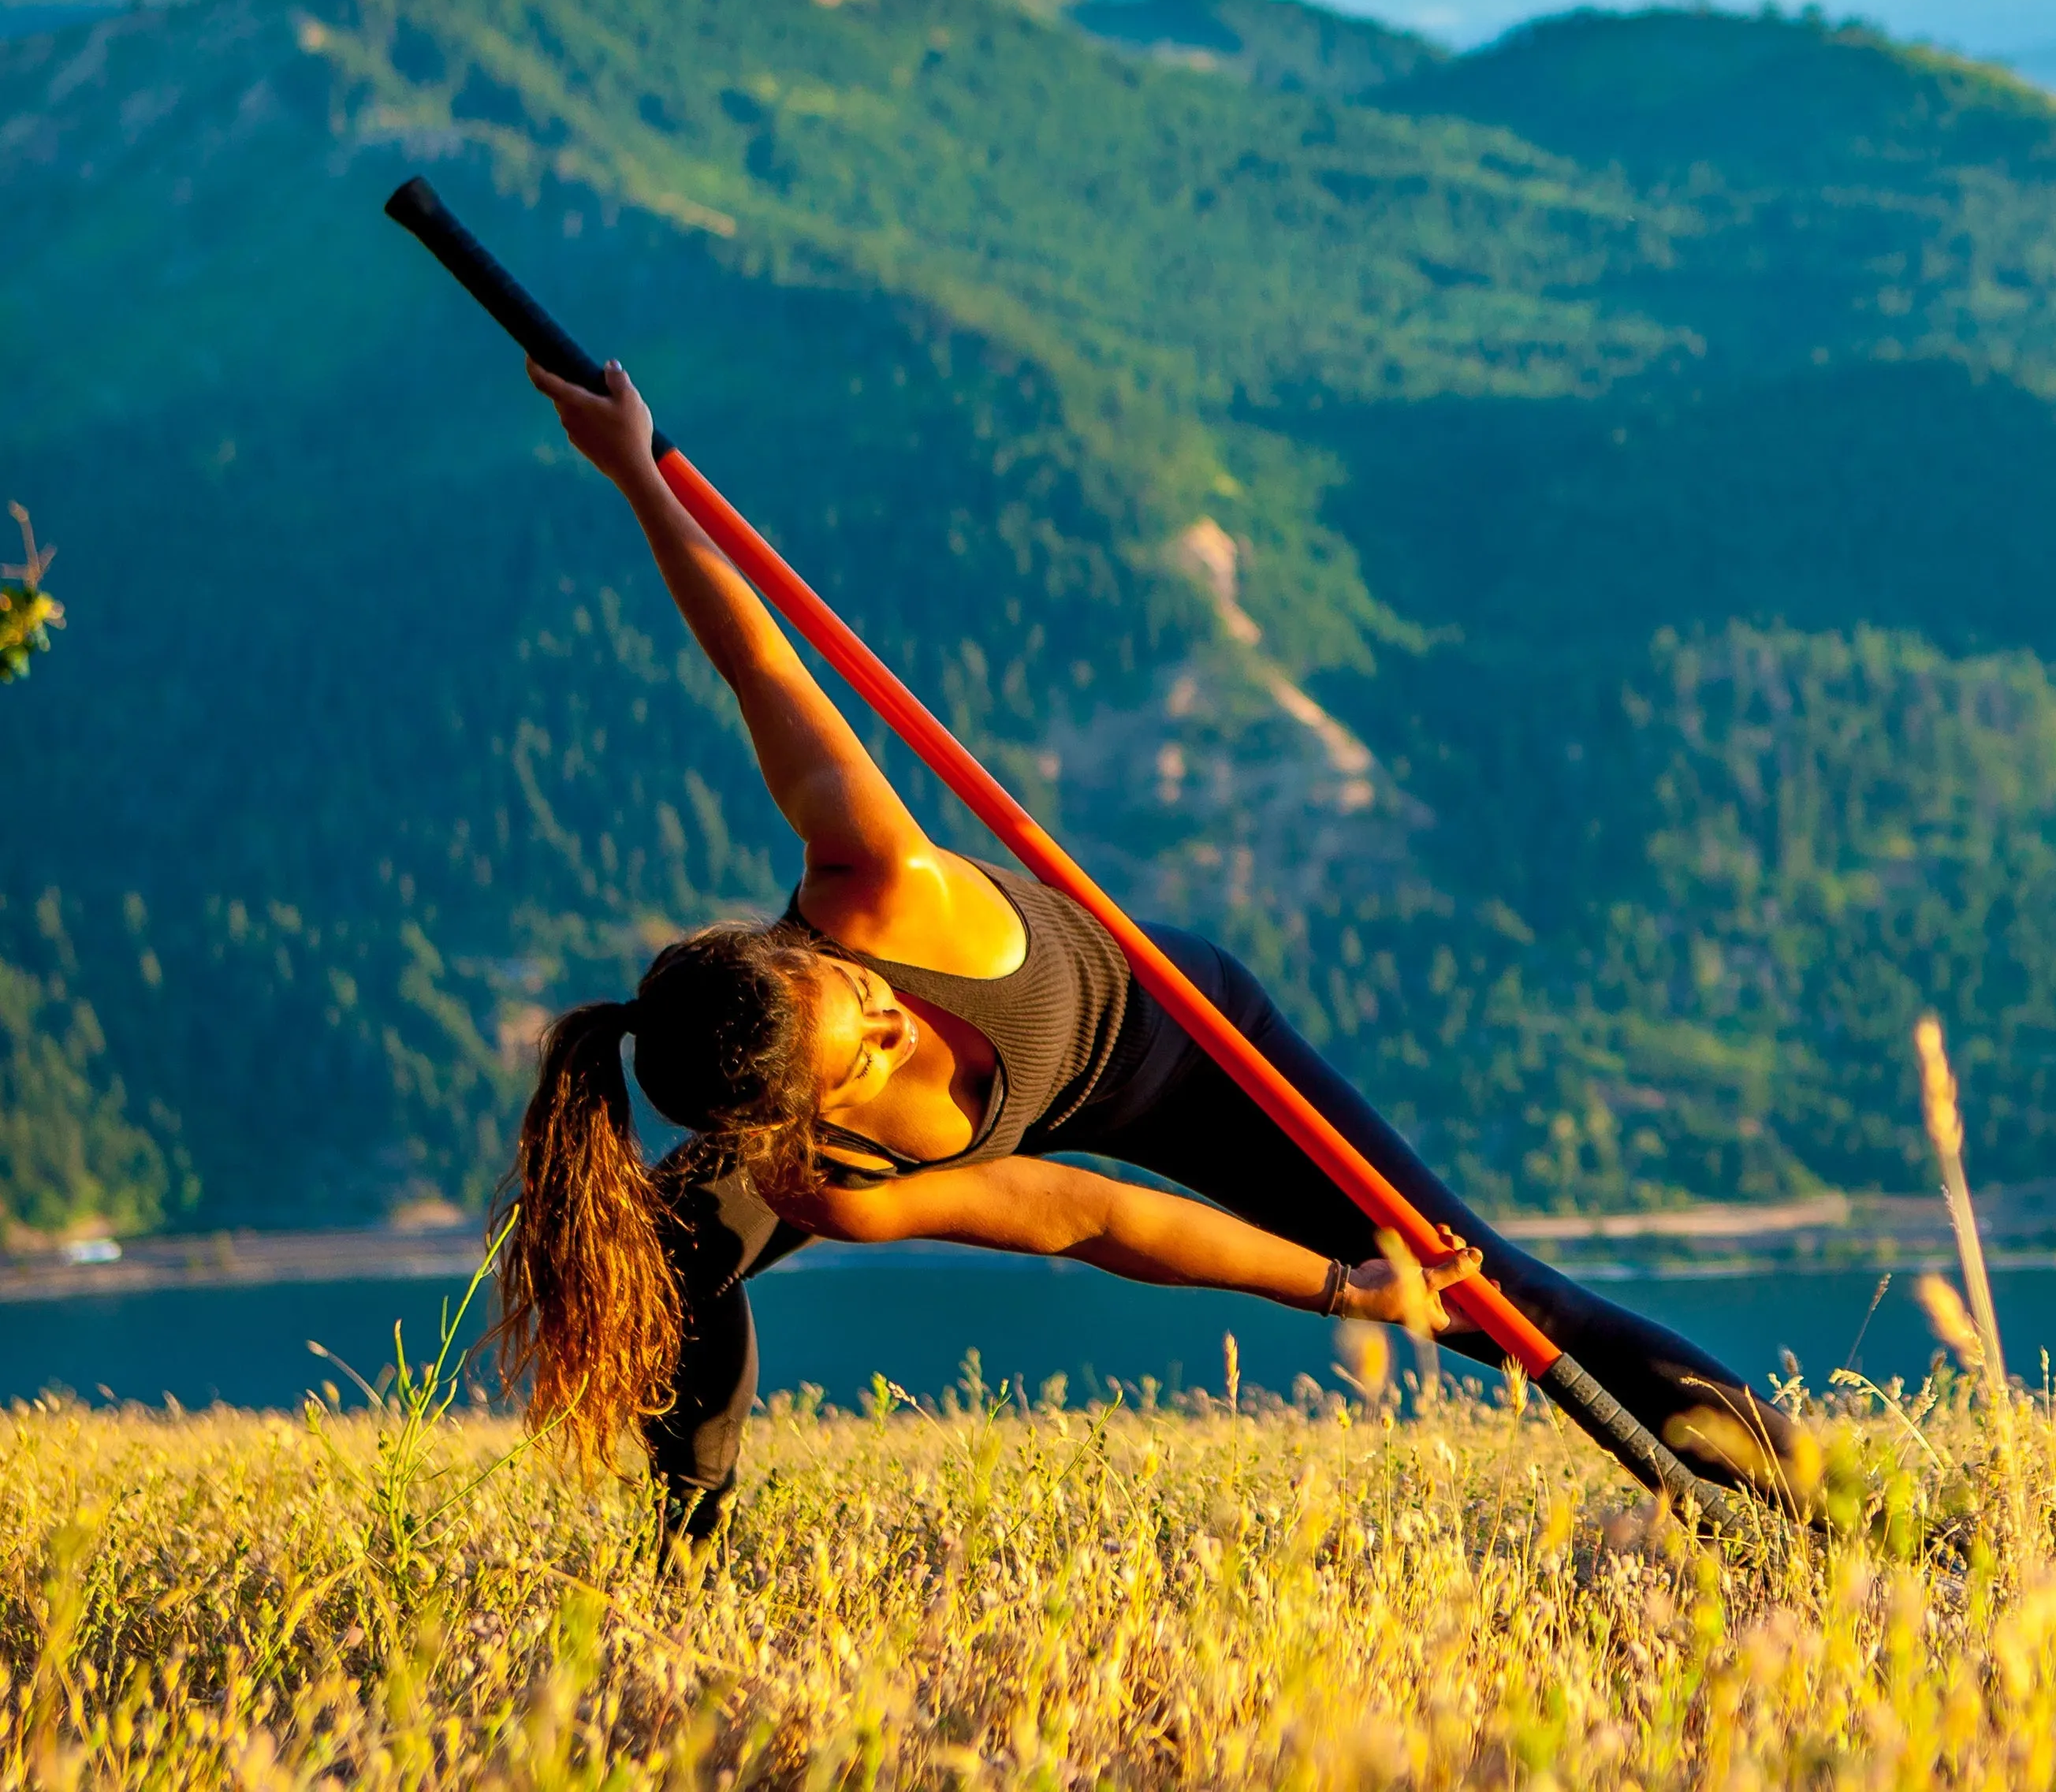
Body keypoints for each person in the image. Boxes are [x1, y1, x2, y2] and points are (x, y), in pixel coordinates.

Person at [496, 357, 1800, 1534]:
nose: (893, 1018)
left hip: (1185, 1038)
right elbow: (1092, 1215)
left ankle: (1824, 1502)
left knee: (1490, 1293)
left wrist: (635, 475)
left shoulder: (871, 872)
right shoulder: (830, 1177)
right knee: (668, 1262)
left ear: (803, 948)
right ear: (792, 1122)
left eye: (857, 996)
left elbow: (755, 661)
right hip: (998, 1131)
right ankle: (687, 1542)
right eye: (864, 1055)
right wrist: (1346, 1294)